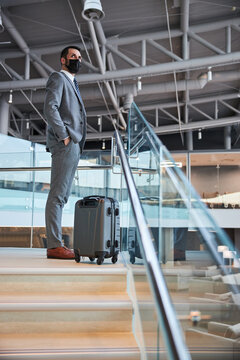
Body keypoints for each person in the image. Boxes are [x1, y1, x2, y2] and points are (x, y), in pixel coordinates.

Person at [44, 46, 86, 259]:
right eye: (73, 57)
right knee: (57, 195)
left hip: (73, 144)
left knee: (62, 196)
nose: (77, 60)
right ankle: (54, 245)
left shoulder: (73, 83)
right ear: (63, 60)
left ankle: (56, 243)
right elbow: (50, 108)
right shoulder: (58, 78)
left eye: (79, 57)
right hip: (65, 143)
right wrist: (64, 136)